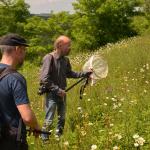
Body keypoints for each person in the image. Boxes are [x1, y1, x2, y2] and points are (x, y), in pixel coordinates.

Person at [40, 35, 92, 141]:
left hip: (62, 93)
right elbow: (44, 78)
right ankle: (44, 140)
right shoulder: (49, 58)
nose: (70, 48)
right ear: (59, 45)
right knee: (49, 118)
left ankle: (58, 138)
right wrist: (57, 90)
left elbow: (70, 73)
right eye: (68, 45)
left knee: (62, 118)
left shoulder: (65, 60)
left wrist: (85, 74)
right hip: (52, 94)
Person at [0, 33, 41, 150]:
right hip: (10, 141)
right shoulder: (15, 78)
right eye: (24, 50)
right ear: (18, 49)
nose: (25, 54)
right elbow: (27, 117)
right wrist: (36, 126)